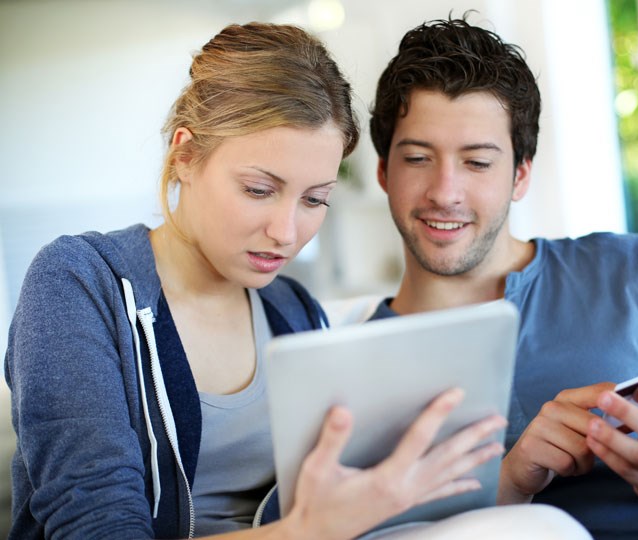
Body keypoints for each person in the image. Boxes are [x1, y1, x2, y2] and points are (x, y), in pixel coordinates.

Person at [3, 22, 593, 540]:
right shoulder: (80, 285)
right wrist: (310, 530)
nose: (286, 232)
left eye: (315, 199)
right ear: (185, 154)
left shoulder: (292, 308)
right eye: (259, 189)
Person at [366, 15, 638, 539]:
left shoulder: (634, 271)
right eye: (417, 158)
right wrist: (507, 482)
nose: (445, 192)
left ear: (520, 175)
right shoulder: (355, 359)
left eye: (478, 162)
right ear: (384, 172)